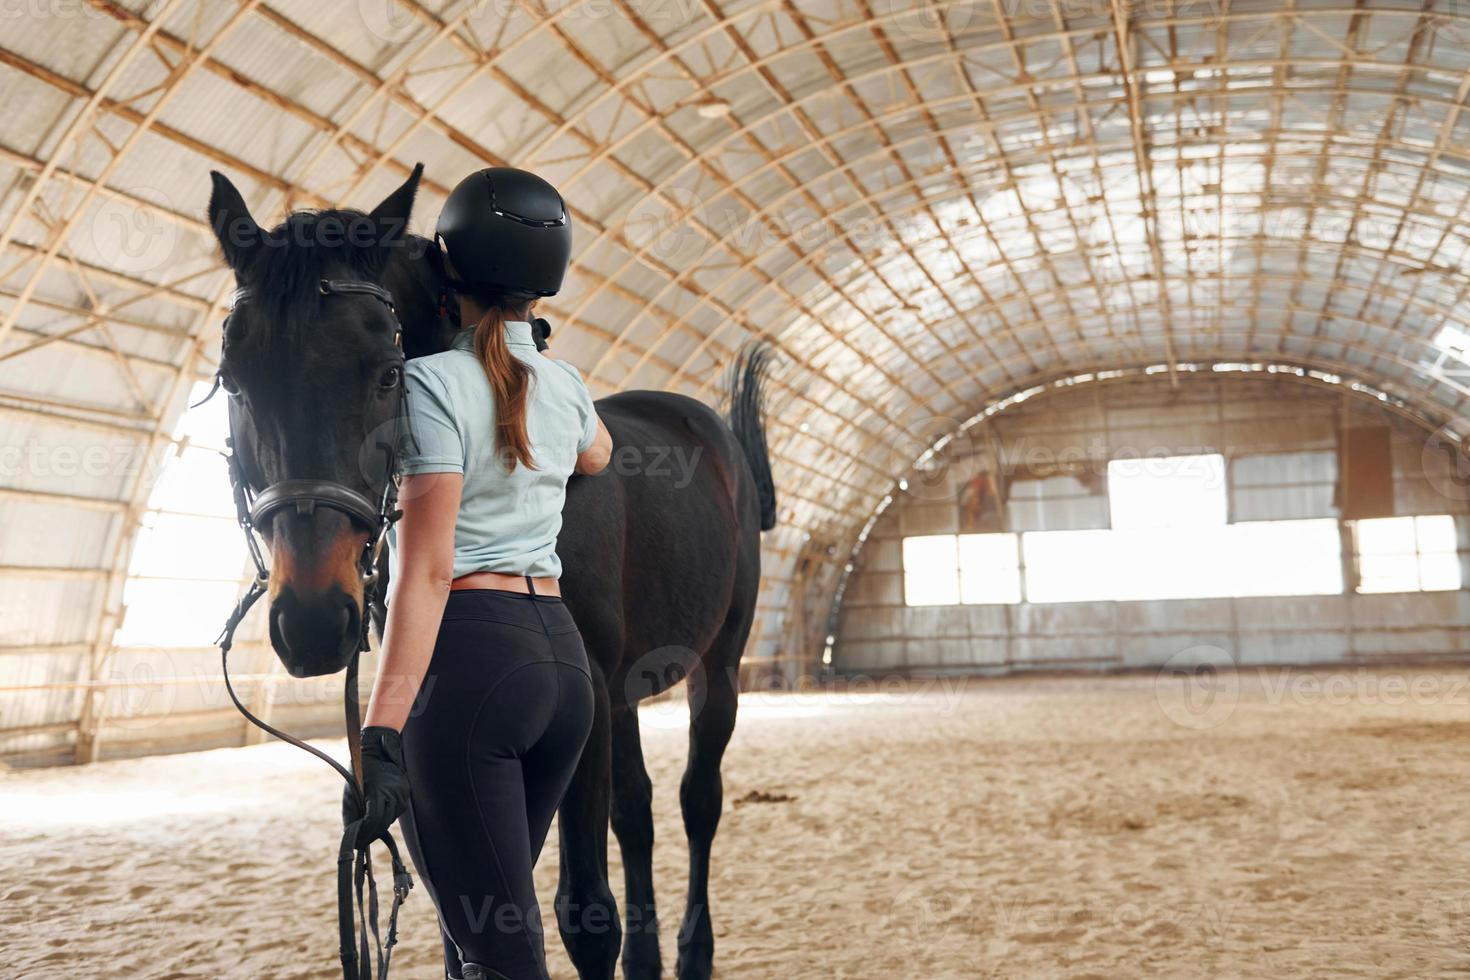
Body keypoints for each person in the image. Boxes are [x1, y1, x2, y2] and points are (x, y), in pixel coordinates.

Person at [348, 167, 614, 980]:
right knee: (492, 921)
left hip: (474, 669)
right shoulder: (565, 384)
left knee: (503, 952)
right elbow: (599, 454)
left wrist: (383, 732)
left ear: (447, 279)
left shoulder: (430, 383)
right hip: (563, 672)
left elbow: (424, 574)